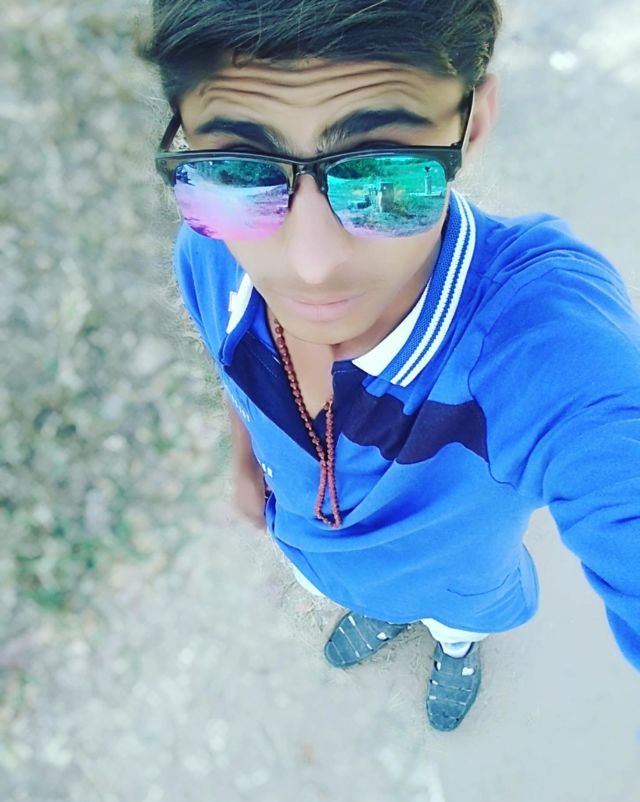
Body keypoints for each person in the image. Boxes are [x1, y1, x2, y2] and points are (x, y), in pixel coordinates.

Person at [136, 0, 640, 731]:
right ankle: (380, 611)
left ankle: (456, 649)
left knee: (455, 623)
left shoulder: (539, 344)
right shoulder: (211, 249)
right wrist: (244, 453)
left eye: (381, 171)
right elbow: (233, 368)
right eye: (241, 166)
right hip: (315, 554)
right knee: (370, 595)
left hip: (462, 588)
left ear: (471, 123)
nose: (309, 264)